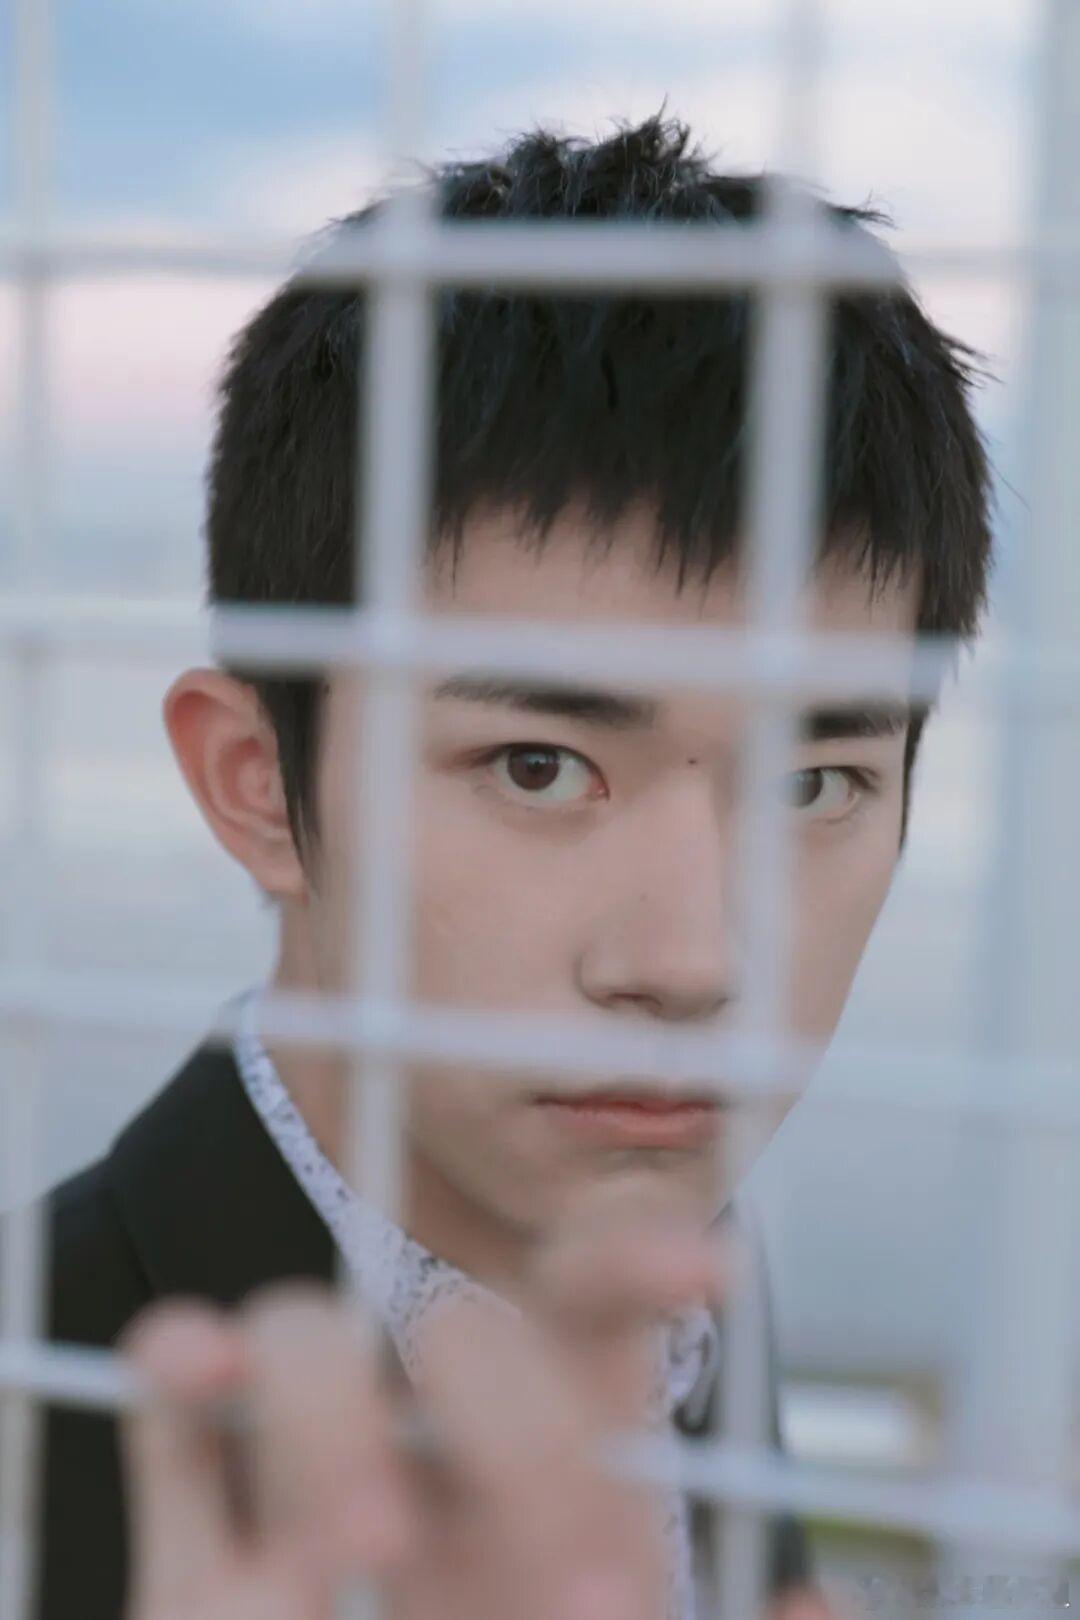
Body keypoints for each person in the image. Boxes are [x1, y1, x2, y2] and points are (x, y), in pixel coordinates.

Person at [22, 111, 992, 1620]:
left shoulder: (677, 1259)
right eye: (538, 767)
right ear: (256, 783)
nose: (692, 963)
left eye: (813, 783)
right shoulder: (39, 1409)